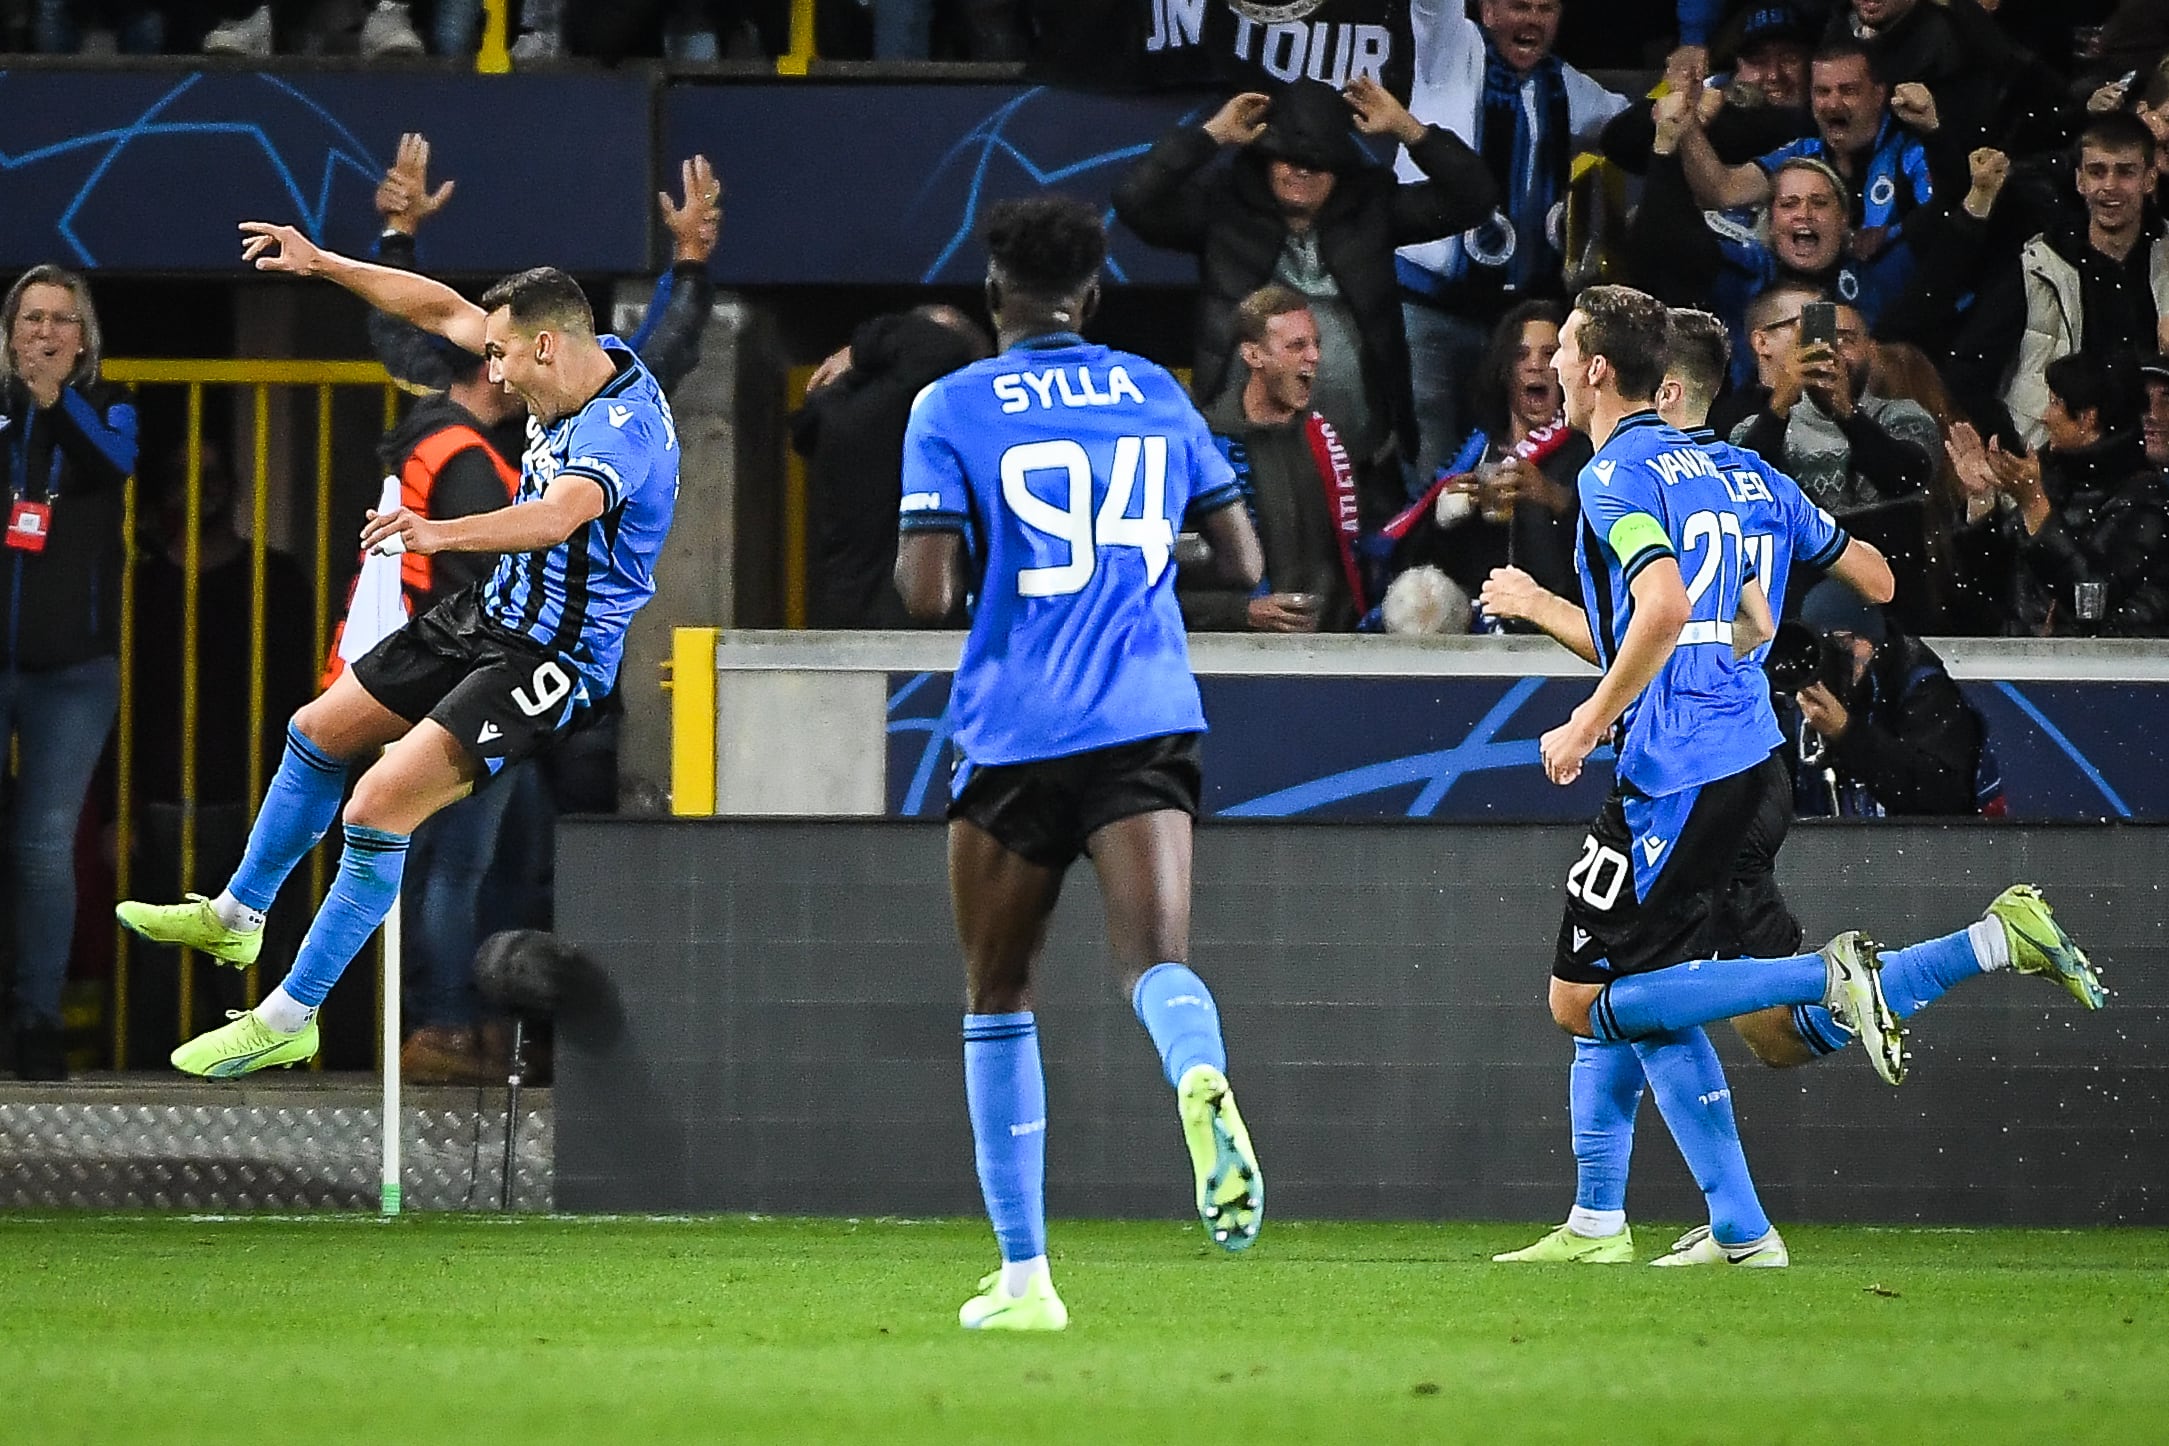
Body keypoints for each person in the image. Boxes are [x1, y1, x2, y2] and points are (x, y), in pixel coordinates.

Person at [1483, 286, 2098, 1262]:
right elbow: (1862, 588)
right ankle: (1671, 1224)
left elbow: (1654, 614)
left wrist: (1582, 718)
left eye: (1561, 346)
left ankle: (1839, 985)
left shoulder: (1615, 481)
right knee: (1701, 1008)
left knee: (1600, 996)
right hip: (1745, 762)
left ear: (1606, 370)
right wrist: (1727, 627)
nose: (1549, 361)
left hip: (1681, 772)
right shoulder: (1744, 473)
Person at [116, 231, 681, 1079]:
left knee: (377, 807)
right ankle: (238, 914)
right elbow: (440, 309)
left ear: (543, 346)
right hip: (487, 616)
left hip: (549, 660)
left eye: (500, 358)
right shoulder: (577, 356)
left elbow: (556, 517)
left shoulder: (622, 431)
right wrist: (329, 266)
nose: (491, 375)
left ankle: (288, 1014)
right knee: (317, 730)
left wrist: (436, 530)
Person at [893, 196, 1267, 1331]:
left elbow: (927, 594)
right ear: (1093, 296)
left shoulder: (949, 403)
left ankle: (1025, 1280)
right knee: (1155, 962)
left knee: (998, 992)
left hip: (1016, 727)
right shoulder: (1155, 390)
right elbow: (1246, 558)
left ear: (993, 296)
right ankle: (1198, 1077)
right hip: (1147, 712)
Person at [1113, 75, 1497, 517]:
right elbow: (1133, 200)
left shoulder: (1370, 208)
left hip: (1360, 459)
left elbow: (1475, 198)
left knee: (1358, 583)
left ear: (1340, 169)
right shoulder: (1227, 207)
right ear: (1265, 158)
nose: (1301, 171)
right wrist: (1211, 135)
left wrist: (1409, 129)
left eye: (1318, 162)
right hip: (1244, 457)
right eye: (1287, 158)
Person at [1397, 0, 1631, 479]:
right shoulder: (1447, 50)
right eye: (1518, 5)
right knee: (1431, 465)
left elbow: (1628, 124)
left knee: (1515, 464)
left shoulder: (1565, 85)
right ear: (1485, 11)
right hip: (1430, 312)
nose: (1532, 20)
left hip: (1516, 322)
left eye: (1545, 8)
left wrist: (1696, 89)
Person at [0, 265, 135, 1080]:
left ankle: (38, 1020)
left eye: (59, 321)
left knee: (45, 845)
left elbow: (113, 464)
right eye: (29, 320)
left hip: (73, 672)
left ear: (81, 340)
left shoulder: (109, 402)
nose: (43, 334)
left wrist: (56, 404)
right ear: (9, 334)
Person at [1947, 113, 2165, 445]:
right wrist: (2018, 452)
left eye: (2126, 172)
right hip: (2060, 468)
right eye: (2097, 172)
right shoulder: (2037, 266)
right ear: (2080, 181)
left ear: (2150, 179)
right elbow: (1967, 372)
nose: (2109, 186)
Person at [1181, 285, 1369, 634]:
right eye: (1297, 346)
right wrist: (1240, 612)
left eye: (1316, 344)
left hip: (1332, 653)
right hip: (1239, 658)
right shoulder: (1201, 447)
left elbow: (1367, 552)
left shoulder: (1331, 439)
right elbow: (1163, 577)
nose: (1313, 356)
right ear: (1253, 355)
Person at [1946, 350, 2169, 636]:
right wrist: (1981, 500)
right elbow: (1988, 582)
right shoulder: (2052, 477)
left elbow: (2090, 599)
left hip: (2104, 672)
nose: (2044, 417)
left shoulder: (2145, 499)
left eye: (2054, 404)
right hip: (2021, 664)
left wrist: (2036, 505)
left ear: (2087, 418)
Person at [794, 304, 990, 628]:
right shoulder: (877, 419)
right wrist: (861, 349)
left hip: (851, 627)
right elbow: (943, 346)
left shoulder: (843, 411)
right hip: (909, 633)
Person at [1777, 581, 1986, 818]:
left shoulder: (1918, 686)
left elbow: (1943, 797)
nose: (1835, 659)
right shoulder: (1797, 693)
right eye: (1822, 646)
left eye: (1843, 642)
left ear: (1872, 640)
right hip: (1824, 847)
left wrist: (1847, 733)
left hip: (1909, 847)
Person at [1727, 291, 1938, 524]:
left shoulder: (1904, 416)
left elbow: (1904, 480)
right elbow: (1741, 496)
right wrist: (1781, 403)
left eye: (1846, 340)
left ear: (1870, 349)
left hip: (1890, 557)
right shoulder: (1754, 428)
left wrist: (1847, 413)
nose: (1833, 353)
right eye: (1822, 339)